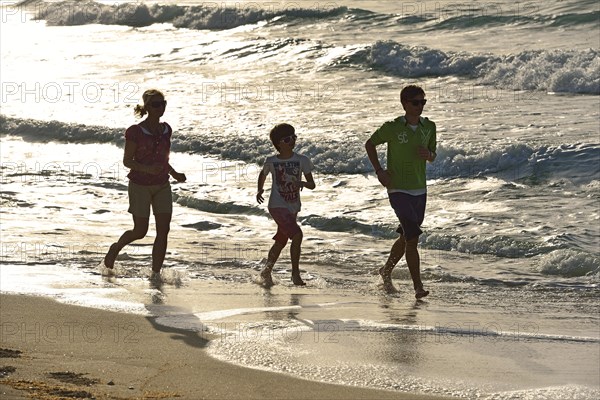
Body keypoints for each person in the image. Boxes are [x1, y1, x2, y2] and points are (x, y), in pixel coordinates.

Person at [103, 89, 186, 277]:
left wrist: (174, 173)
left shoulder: (166, 130)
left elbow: (164, 158)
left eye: (163, 103)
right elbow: (127, 161)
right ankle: (115, 248)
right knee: (140, 231)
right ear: (147, 107)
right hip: (140, 185)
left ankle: (155, 274)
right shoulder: (136, 131)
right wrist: (147, 169)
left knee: (163, 230)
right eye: (156, 104)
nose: (161, 107)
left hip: (162, 185)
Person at [365, 85, 436, 299]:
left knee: (407, 236)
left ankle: (385, 271)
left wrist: (428, 154)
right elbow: (370, 144)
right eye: (416, 102)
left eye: (423, 102)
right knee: (413, 237)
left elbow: (433, 155)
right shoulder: (393, 127)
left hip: (419, 189)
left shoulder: (429, 126)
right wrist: (379, 171)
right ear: (404, 103)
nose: (420, 106)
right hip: (397, 188)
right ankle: (418, 287)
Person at [256, 123, 316, 286]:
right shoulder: (272, 161)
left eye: (294, 137)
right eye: (287, 138)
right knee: (297, 235)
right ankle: (295, 275)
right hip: (277, 205)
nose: (292, 141)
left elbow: (312, 184)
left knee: (281, 240)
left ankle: (266, 271)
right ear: (279, 143)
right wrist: (260, 190)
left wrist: (302, 183)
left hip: (293, 206)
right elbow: (263, 174)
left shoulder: (302, 160)